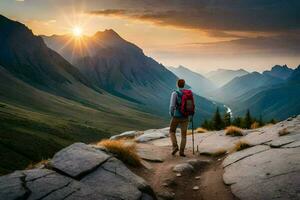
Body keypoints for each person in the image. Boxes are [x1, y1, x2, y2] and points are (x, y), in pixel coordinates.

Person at [169, 79, 194, 157]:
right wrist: (190, 115)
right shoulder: (188, 93)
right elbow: (191, 105)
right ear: (184, 85)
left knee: (172, 131)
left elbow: (172, 106)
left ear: (177, 85)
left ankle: (175, 147)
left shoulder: (174, 93)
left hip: (176, 116)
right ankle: (182, 152)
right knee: (184, 135)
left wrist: (172, 114)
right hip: (185, 116)